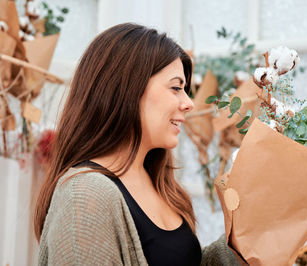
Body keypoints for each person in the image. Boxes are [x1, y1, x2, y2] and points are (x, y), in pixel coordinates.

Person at [34, 23, 239, 265]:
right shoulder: (85, 195)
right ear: (127, 88)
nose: (188, 103)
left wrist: (240, 243)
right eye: (176, 88)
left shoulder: (160, 183)